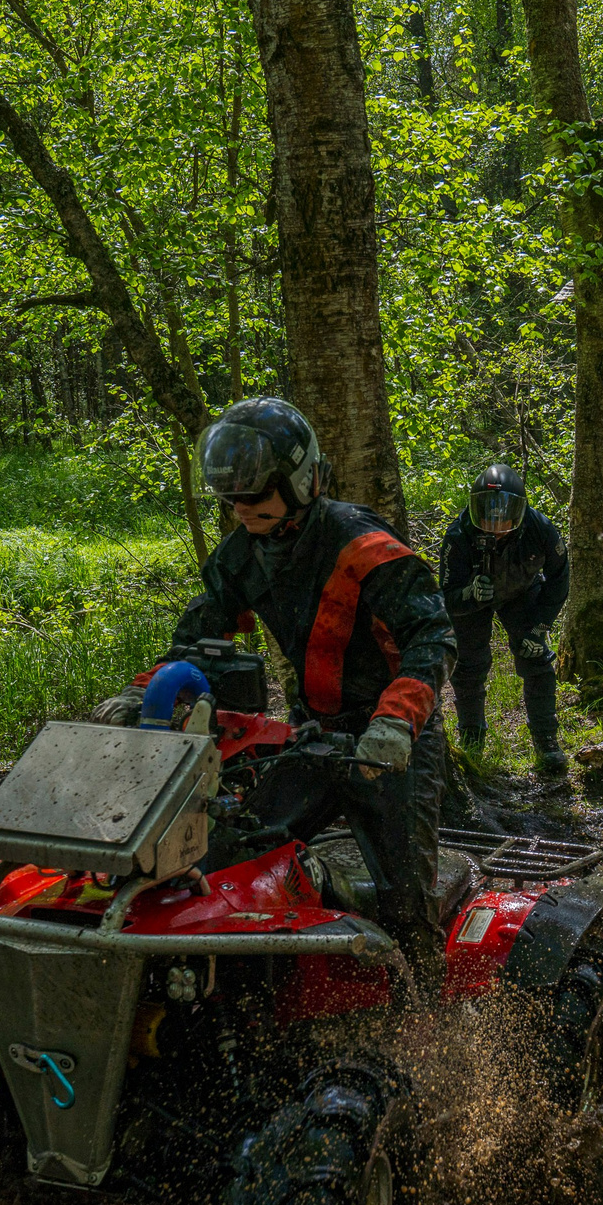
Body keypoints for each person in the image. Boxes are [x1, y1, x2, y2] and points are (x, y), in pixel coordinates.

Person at [94, 397, 456, 983]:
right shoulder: (242, 554)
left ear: (301, 481)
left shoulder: (360, 543)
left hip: (392, 740)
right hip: (313, 732)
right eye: (231, 500)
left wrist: (395, 722)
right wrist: (147, 692)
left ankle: (430, 1026)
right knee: (241, 853)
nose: (241, 511)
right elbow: (198, 634)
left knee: (407, 904)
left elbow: (432, 636)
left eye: (255, 497)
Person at [439, 463, 571, 778]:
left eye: (504, 516)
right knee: (469, 666)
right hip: (473, 604)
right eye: (486, 514)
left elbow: (559, 578)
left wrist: (540, 627)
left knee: (535, 657)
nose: (495, 524)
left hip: (522, 593)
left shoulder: (539, 528)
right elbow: (445, 597)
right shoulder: (458, 536)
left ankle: (546, 740)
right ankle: (471, 740)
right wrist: (469, 595)